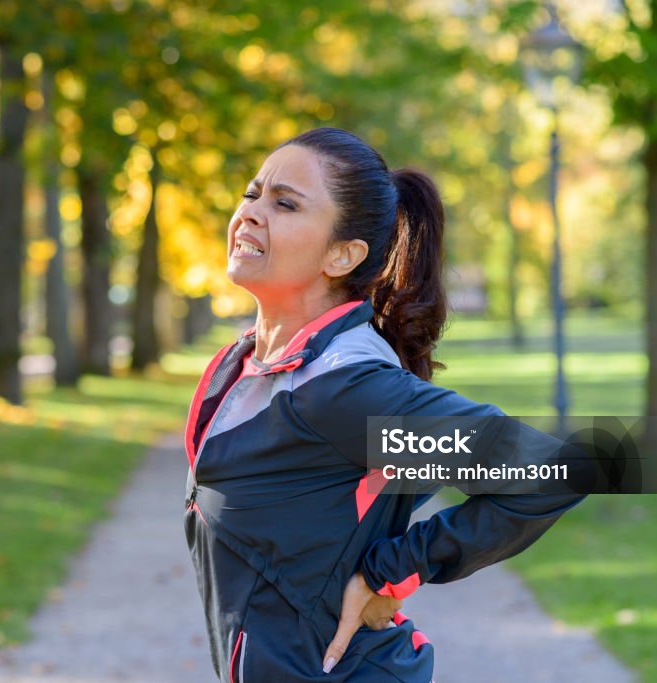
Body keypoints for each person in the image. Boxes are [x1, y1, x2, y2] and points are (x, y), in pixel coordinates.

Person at [184, 127, 587, 682]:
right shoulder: (250, 367)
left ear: (342, 254)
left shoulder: (343, 392)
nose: (252, 213)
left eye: (285, 204)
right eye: (253, 193)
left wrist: (393, 571)